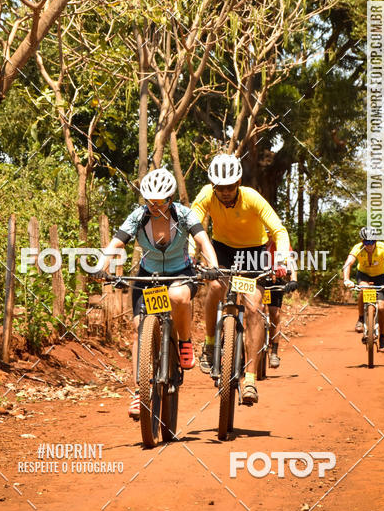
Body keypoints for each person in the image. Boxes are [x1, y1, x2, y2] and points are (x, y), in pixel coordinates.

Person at [101, 167, 219, 420]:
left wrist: (213, 266)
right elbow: (116, 242)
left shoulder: (184, 214)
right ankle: (138, 391)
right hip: (148, 276)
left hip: (180, 273)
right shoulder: (138, 217)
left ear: (170, 198)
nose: (154, 207)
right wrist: (101, 266)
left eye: (160, 202)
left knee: (178, 297)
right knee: (137, 329)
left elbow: (203, 242)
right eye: (149, 202)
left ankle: (185, 343)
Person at [190, 153, 291, 406]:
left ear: (238, 183)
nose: (225, 192)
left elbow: (278, 230)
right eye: (220, 188)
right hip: (222, 249)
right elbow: (191, 226)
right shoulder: (206, 195)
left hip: (253, 253)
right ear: (214, 186)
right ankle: (210, 343)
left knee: (254, 306)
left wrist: (281, 260)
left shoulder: (252, 197)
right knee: (214, 286)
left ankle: (250, 378)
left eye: (230, 187)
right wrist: (191, 256)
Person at [342, 226, 384, 352]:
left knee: (382, 307)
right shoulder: (357, 248)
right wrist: (346, 279)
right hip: (363, 275)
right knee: (364, 288)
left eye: (372, 242)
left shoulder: (382, 248)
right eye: (366, 242)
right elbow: (348, 263)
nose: (369, 245)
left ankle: (383, 337)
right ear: (362, 241)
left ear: (376, 241)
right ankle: (361, 318)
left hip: (379, 276)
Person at [263, 244, 298, 369]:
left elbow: (290, 260)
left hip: (275, 281)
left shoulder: (280, 242)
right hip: (257, 279)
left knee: (274, 313)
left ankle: (274, 352)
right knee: (252, 312)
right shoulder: (255, 236)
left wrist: (293, 279)